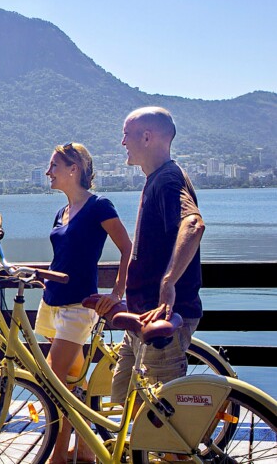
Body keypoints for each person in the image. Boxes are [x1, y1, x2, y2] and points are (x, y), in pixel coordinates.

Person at [37, 142, 132, 464]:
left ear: (73, 168)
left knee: (54, 381)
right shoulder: (62, 212)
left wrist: (116, 293)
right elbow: (65, 257)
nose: (48, 172)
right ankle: (86, 450)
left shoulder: (99, 206)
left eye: (54, 165)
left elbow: (128, 248)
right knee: (74, 381)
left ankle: (58, 456)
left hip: (78, 307)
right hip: (51, 302)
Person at [111, 107, 205, 405]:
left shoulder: (167, 180)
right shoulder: (157, 178)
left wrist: (169, 281)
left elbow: (193, 224)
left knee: (158, 415)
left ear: (147, 137)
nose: (122, 142)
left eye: (126, 134)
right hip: (142, 316)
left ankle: (181, 439)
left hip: (162, 319)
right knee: (123, 399)